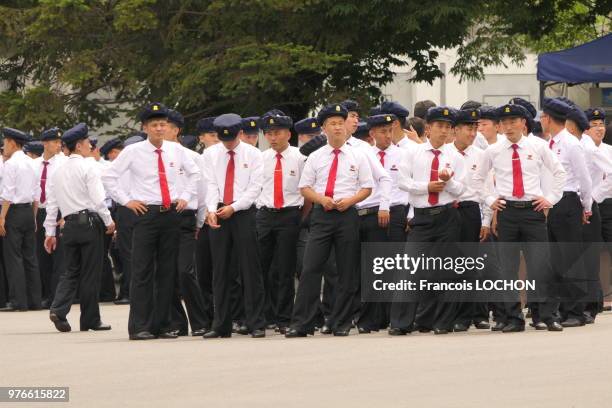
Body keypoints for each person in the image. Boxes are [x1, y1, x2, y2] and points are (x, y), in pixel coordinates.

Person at [103, 102, 200, 340]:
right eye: (154, 125)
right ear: (145, 127)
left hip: (171, 214)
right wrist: (127, 201)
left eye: (162, 124)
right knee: (143, 270)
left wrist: (185, 197)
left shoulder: (176, 151)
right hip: (146, 213)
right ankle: (139, 326)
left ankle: (163, 324)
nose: (159, 129)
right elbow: (109, 176)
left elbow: (195, 174)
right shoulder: (133, 152)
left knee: (167, 271)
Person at [473, 103, 566, 332]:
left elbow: (559, 173)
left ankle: (546, 315)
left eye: (513, 121)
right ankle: (513, 317)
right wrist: (490, 200)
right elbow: (477, 179)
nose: (508, 126)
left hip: (533, 211)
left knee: (540, 265)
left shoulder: (538, 146)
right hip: (507, 212)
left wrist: (550, 199)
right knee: (508, 268)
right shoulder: (493, 151)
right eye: (504, 122)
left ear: (523, 123)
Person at [286, 103, 373, 337]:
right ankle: (301, 322)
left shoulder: (359, 155)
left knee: (346, 271)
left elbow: (367, 187)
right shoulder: (315, 157)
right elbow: (304, 187)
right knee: (311, 267)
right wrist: (321, 199)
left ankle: (341, 322)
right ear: (323, 128)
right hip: (322, 215)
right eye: (332, 124)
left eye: (340, 123)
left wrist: (351, 200)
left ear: (346, 126)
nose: (337, 128)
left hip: (347, 215)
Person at [391, 107, 465, 335]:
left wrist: (448, 182)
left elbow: (461, 189)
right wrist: (426, 187)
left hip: (446, 216)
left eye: (447, 127)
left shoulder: (455, 156)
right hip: (422, 217)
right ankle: (401, 323)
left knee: (445, 272)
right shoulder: (413, 153)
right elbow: (402, 181)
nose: (443, 131)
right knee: (410, 269)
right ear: (429, 128)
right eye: (439, 126)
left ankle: (442, 322)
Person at [44, 123, 115, 332]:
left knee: (71, 271)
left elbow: (52, 205)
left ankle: (58, 308)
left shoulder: (57, 171)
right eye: (87, 142)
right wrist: (109, 220)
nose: (89, 146)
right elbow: (99, 199)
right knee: (91, 273)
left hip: (69, 226)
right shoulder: (88, 166)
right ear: (79, 144)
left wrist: (49, 232)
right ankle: (91, 319)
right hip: (89, 223)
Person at [202, 113, 267, 339]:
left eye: (231, 139)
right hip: (218, 211)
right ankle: (221, 324)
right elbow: (209, 183)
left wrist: (235, 207)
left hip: (243, 212)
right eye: (223, 140)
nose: (227, 143)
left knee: (250, 269)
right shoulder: (210, 154)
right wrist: (211, 209)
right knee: (220, 270)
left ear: (240, 134)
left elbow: (255, 188)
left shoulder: (254, 154)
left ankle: (256, 322)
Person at [540, 98, 592, 328]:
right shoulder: (549, 143)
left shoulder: (571, 143)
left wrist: (586, 206)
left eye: (543, 117)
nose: (542, 121)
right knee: (556, 259)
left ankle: (576, 311)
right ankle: (562, 308)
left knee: (571, 257)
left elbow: (584, 178)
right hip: (552, 203)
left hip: (569, 201)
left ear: (549, 119)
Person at [255, 112, 306, 334]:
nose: (272, 138)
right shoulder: (261, 158)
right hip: (265, 215)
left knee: (285, 269)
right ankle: (263, 316)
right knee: (261, 268)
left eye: (277, 133)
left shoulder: (300, 157)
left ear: (288, 133)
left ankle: (285, 317)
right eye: (269, 134)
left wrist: (300, 217)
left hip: (290, 214)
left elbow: (307, 190)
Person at [445, 108, 491, 331]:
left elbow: (487, 190)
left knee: (473, 265)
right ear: (455, 130)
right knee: (452, 265)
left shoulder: (481, 156)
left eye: (475, 128)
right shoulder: (444, 153)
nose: (472, 133)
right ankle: (456, 314)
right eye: (468, 128)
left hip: (472, 210)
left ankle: (477, 314)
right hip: (449, 211)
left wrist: (485, 220)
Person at [164, 109, 208, 337]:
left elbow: (201, 193)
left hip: (185, 217)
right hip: (162, 216)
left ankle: (200, 321)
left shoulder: (192, 157)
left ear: (176, 130)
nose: (161, 130)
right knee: (166, 272)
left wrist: (200, 223)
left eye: (167, 126)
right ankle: (176, 322)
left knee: (185, 271)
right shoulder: (154, 157)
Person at [0, 128, 40, 312]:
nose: (4, 147)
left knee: (13, 257)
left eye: (5, 142)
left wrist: (2, 217)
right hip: (28, 211)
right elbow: (36, 193)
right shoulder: (32, 162)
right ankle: (34, 300)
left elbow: (7, 193)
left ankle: (18, 301)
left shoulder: (10, 164)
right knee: (30, 257)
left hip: (14, 212)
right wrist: (33, 217)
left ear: (13, 143)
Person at [34, 127, 67, 309]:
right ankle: (47, 294)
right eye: (54, 142)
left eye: (59, 142)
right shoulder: (35, 164)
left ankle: (56, 296)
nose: (58, 145)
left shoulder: (64, 162)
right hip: (41, 211)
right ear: (45, 144)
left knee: (59, 257)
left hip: (60, 211)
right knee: (42, 255)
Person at [107, 135, 142, 305]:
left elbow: (112, 187)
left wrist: (126, 202)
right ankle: (132, 290)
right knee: (135, 253)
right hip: (139, 208)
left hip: (128, 209)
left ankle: (128, 291)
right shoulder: (141, 165)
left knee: (128, 253)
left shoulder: (122, 167)